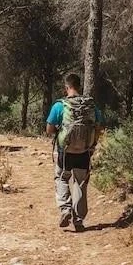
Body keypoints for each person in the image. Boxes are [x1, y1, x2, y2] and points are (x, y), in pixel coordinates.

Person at [46, 73, 103, 231]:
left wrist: (59, 131)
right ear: (79, 86)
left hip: (66, 150)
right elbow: (99, 126)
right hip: (84, 150)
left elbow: (49, 129)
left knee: (62, 178)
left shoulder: (60, 105)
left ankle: (65, 209)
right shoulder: (91, 106)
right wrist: (92, 144)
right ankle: (78, 220)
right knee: (80, 183)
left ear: (66, 87)